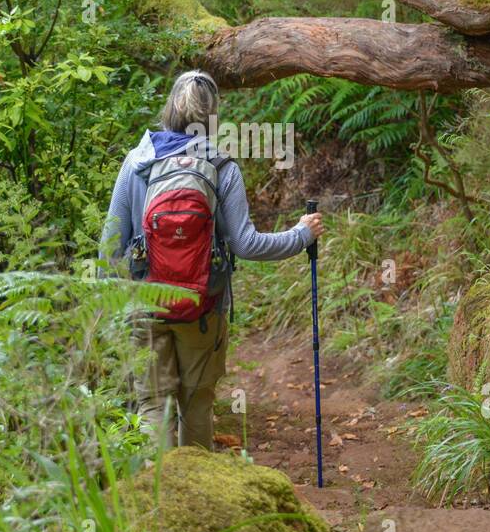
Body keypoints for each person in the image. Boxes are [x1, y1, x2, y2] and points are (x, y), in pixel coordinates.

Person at [101, 69, 325, 449]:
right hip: (203, 310)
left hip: (144, 307)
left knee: (153, 406)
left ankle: (156, 501)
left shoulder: (136, 164)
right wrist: (301, 234)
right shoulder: (222, 168)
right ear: (212, 117)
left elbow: (109, 250)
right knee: (197, 405)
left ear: (168, 108)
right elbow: (247, 244)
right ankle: (197, 498)